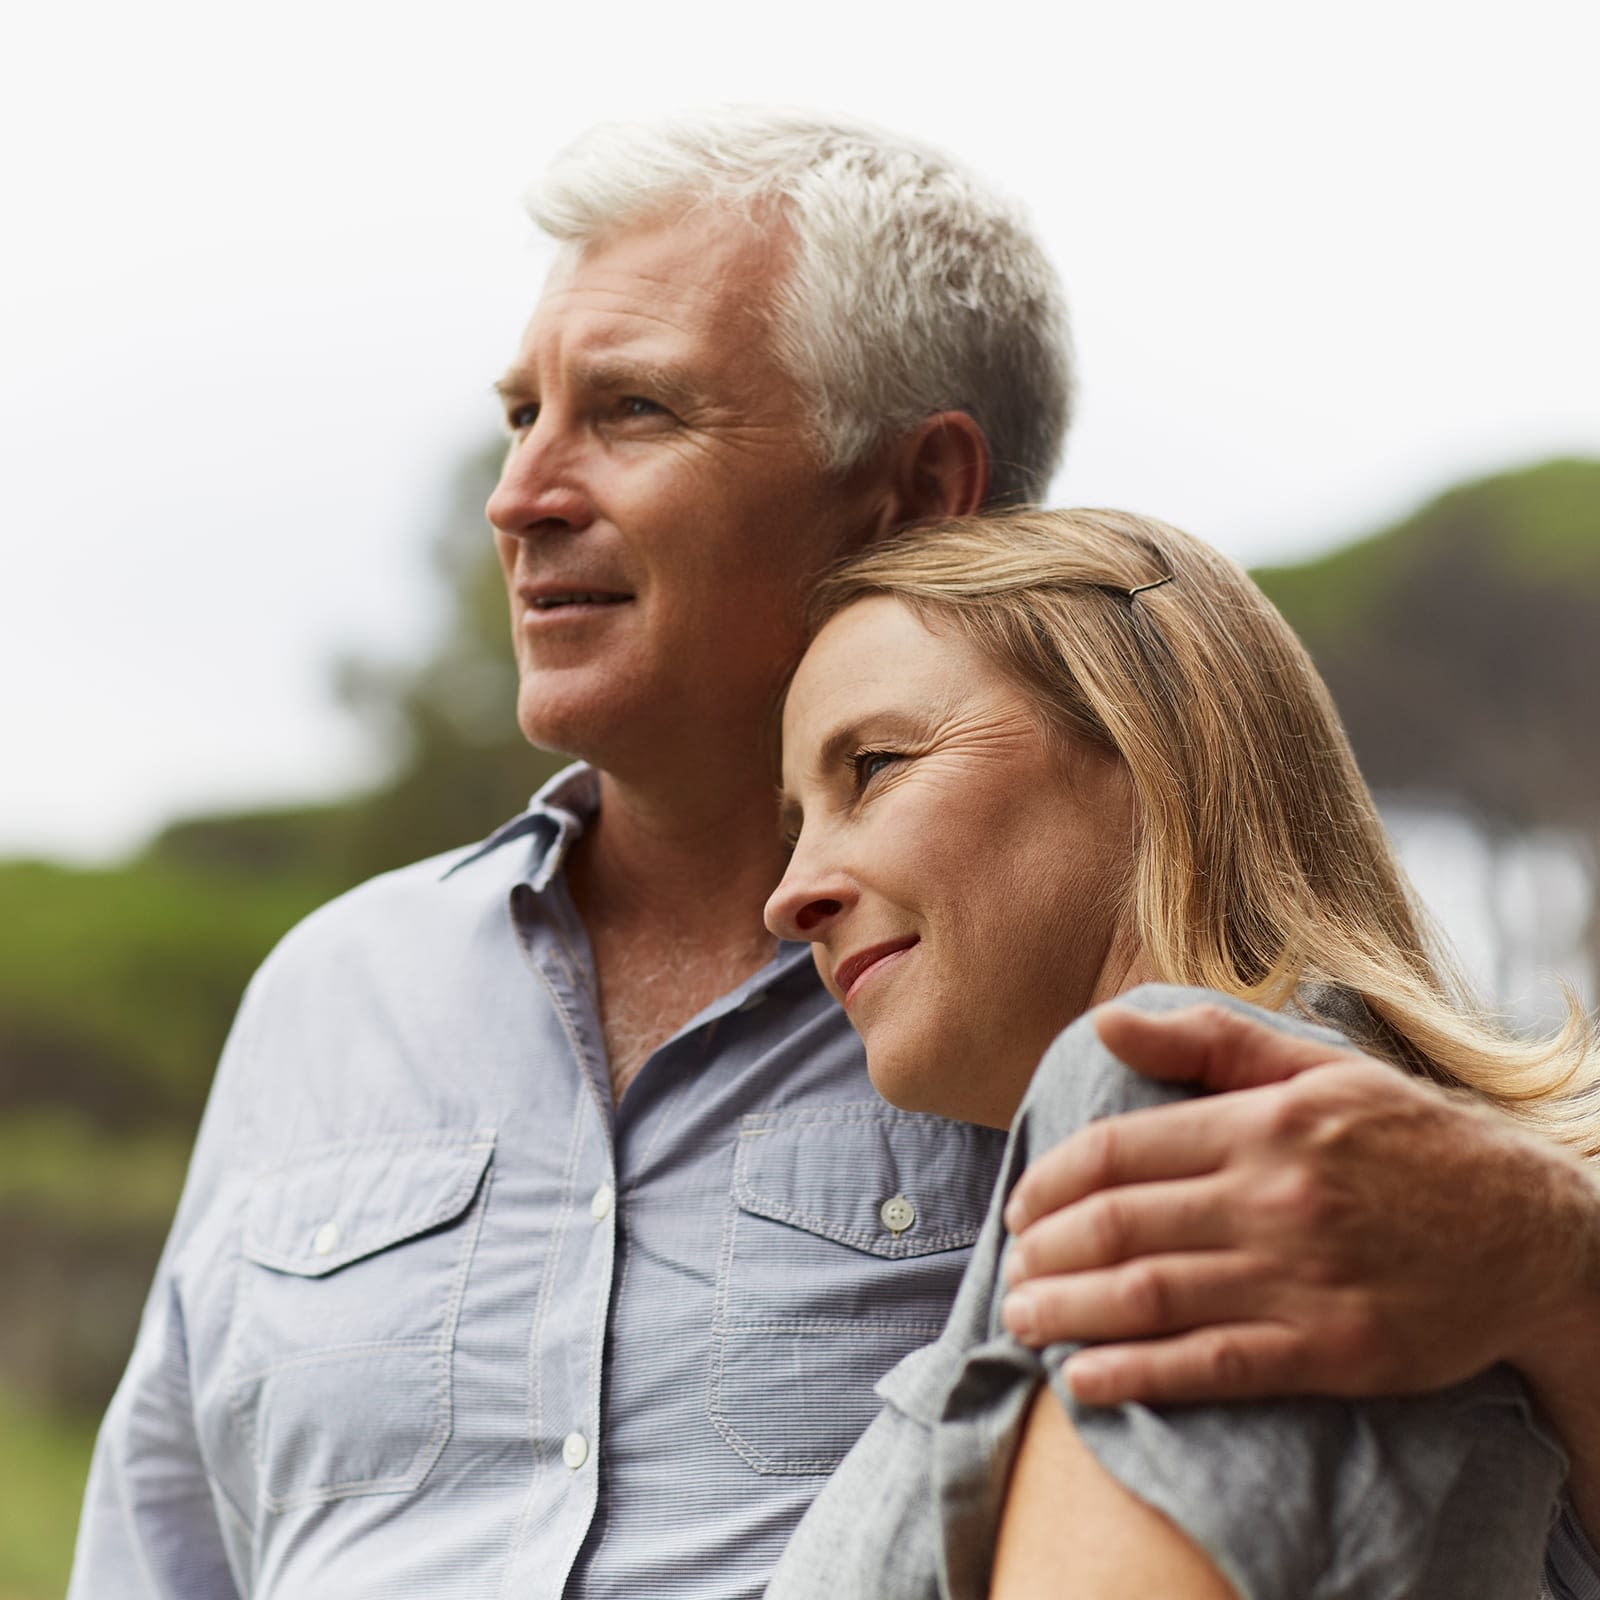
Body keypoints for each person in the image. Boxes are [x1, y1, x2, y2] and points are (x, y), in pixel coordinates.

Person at [67, 109, 1600, 1597]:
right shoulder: (333, 998)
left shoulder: (1105, 1048)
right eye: (521, 413)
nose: (519, 496)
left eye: (633, 409)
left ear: (921, 490)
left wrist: (1557, 1264)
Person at [762, 505, 1597, 1597]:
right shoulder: (1385, 1186)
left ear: (1151, 742)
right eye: (796, 826)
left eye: (872, 766)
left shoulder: (1193, 1110)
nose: (788, 899)